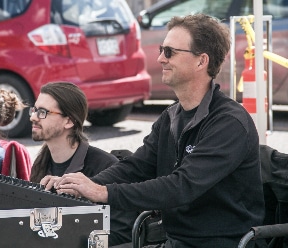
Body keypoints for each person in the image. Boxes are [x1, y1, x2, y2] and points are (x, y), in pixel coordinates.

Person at [52, 14, 265, 247]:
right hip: (176, 241)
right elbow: (136, 167)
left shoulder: (229, 123)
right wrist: (79, 186)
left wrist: (103, 193)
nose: (161, 58)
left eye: (170, 52)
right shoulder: (171, 116)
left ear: (201, 61)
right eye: (162, 49)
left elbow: (181, 186)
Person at [29, 82, 138, 248]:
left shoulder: (108, 167)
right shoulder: (41, 164)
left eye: (43, 112)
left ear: (69, 121)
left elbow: (124, 234)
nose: (33, 117)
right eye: (34, 109)